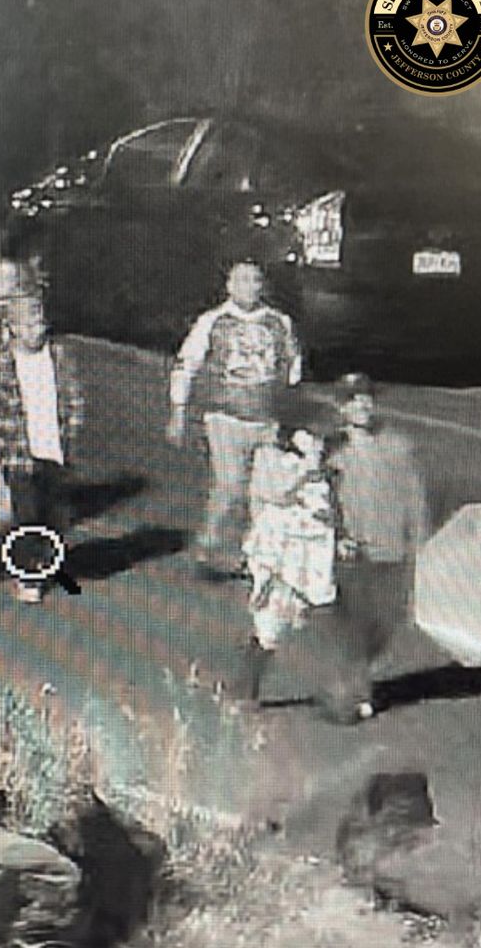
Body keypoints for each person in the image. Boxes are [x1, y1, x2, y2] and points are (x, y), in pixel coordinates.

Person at [167, 259, 302, 577]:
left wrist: (284, 404)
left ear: (262, 285)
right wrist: (178, 412)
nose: (248, 287)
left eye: (254, 280)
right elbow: (186, 367)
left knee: (264, 493)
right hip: (225, 419)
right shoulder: (213, 321)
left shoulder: (279, 322)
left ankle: (254, 554)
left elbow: (293, 367)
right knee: (230, 486)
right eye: (240, 280)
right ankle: (208, 545)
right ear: (229, 286)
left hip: (266, 420)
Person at [320, 372, 431, 721]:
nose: (361, 405)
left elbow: (417, 499)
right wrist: (335, 538)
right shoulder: (331, 452)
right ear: (341, 407)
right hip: (353, 553)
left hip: (393, 550)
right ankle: (350, 696)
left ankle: (357, 683)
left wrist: (422, 542)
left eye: (366, 398)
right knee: (353, 625)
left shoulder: (398, 446)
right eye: (353, 399)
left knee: (383, 626)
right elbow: (318, 501)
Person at [0, 286, 84, 602]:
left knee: (55, 514)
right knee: (26, 514)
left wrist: (71, 430)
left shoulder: (59, 357)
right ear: (12, 329)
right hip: (18, 453)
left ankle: (45, 562)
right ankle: (25, 573)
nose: (37, 330)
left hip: (55, 450)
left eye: (40, 323)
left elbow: (73, 398)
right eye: (29, 325)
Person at [238, 410, 337, 704]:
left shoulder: (330, 474)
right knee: (271, 625)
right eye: (309, 437)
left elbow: (331, 511)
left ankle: (342, 691)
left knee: (320, 621)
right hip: (280, 556)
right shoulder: (277, 461)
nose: (315, 444)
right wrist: (305, 473)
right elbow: (274, 494)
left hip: (314, 558)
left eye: (319, 440)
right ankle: (244, 691)